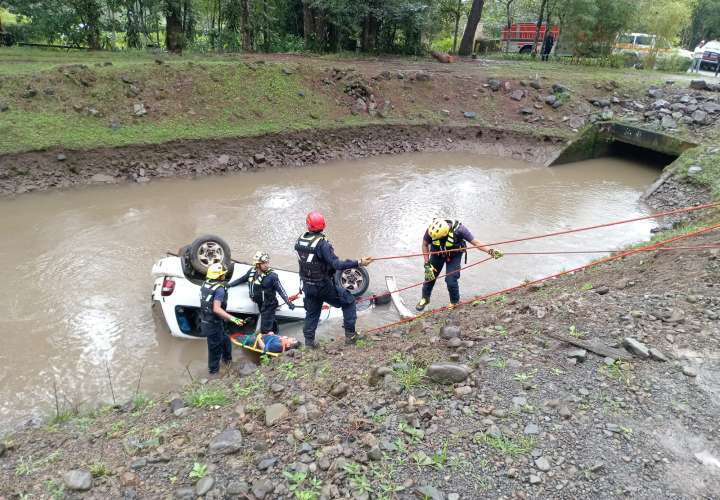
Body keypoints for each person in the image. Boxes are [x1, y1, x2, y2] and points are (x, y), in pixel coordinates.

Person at [295, 211, 373, 347]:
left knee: (312, 312)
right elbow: (336, 264)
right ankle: (351, 336)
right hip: (322, 285)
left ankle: (309, 343)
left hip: (307, 285)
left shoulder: (300, 240)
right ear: (323, 225)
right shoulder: (322, 244)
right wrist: (359, 262)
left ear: (308, 225)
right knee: (348, 301)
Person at [416, 218, 502, 312]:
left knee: (451, 280)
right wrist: (427, 263)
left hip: (454, 255)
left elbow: (476, 243)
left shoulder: (460, 230)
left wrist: (491, 251)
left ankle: (454, 302)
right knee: (429, 275)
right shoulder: (431, 230)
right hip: (437, 253)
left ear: (445, 233)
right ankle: (425, 298)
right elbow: (424, 245)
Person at [228, 251, 294, 335]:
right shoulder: (251, 272)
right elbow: (242, 279)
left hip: (269, 304)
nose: (266, 265)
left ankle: (269, 340)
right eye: (263, 263)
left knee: (265, 329)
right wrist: (229, 285)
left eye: (267, 262)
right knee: (269, 320)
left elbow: (281, 290)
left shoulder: (272, 276)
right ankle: (275, 331)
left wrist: (288, 302)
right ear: (257, 264)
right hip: (259, 302)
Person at [200, 262, 245, 375]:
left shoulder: (205, 284)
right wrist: (233, 318)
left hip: (208, 320)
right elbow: (216, 308)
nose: (224, 275)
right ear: (219, 276)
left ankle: (227, 360)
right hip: (212, 323)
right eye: (223, 274)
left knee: (225, 339)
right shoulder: (219, 289)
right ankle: (213, 373)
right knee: (214, 349)